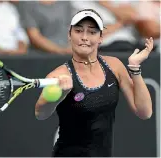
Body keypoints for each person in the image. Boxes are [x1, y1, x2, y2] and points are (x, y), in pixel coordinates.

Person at [35, 9, 153, 157]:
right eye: (78, 31)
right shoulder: (59, 75)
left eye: (92, 32)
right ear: (69, 35)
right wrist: (60, 95)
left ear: (101, 38)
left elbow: (144, 112)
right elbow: (40, 113)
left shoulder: (114, 66)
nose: (84, 37)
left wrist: (135, 68)